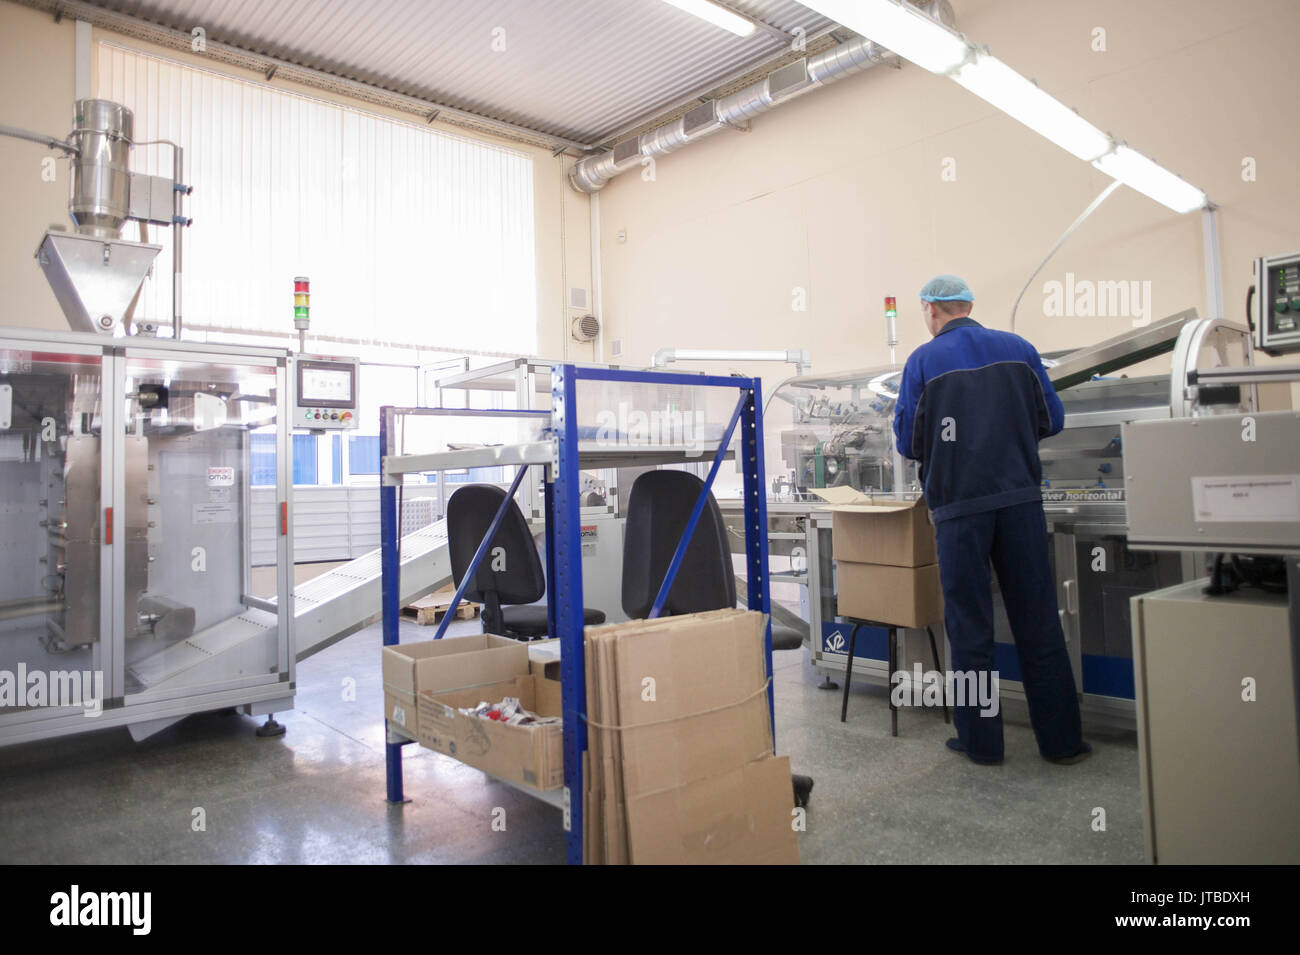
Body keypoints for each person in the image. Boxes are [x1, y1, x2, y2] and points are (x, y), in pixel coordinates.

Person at [892, 274, 1090, 765]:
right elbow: (1053, 419)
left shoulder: (923, 360)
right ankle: (1062, 742)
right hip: (1020, 501)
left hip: (959, 510)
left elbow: (907, 441)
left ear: (931, 310)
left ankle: (981, 744)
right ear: (968, 306)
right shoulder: (1019, 349)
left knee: (970, 626)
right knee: (1039, 619)